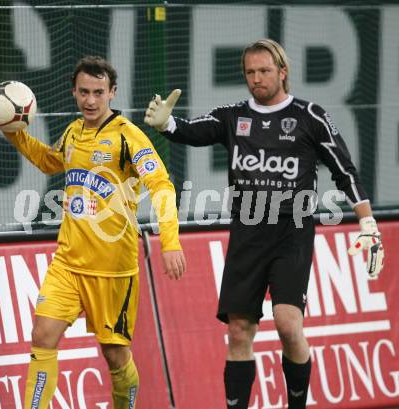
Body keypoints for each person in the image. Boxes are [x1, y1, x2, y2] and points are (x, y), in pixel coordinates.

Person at [144, 38, 384, 409]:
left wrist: (367, 222)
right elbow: (194, 130)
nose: (256, 78)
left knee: (289, 326)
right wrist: (167, 124)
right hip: (247, 233)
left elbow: (344, 171)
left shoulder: (311, 116)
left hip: (292, 231)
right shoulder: (233, 116)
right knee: (239, 332)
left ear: (282, 72)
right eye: (250, 72)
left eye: (264, 71)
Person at [0, 56, 186, 409]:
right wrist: (15, 134)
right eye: (84, 92)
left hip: (113, 270)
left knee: (115, 356)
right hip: (68, 262)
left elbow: (161, 185)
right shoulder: (73, 131)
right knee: (43, 335)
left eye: (99, 92)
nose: (91, 100)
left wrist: (169, 243)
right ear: (74, 92)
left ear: (112, 92)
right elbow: (52, 161)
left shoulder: (128, 136)